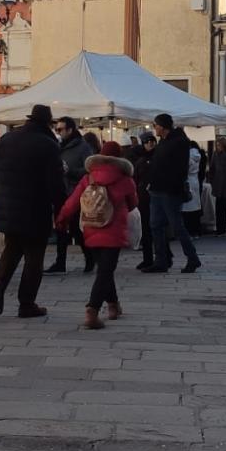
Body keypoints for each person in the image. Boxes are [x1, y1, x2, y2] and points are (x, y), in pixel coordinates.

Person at [0, 105, 67, 318]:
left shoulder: (6, 139)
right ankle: (26, 303)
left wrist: (4, 191)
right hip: (35, 208)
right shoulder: (48, 145)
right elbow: (56, 184)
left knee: (11, 248)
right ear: (48, 123)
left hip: (8, 206)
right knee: (34, 257)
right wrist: (61, 210)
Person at [57, 142, 137, 329]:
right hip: (114, 230)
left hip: (91, 228)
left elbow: (72, 202)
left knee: (104, 270)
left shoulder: (89, 177)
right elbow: (133, 204)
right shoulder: (126, 180)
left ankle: (113, 305)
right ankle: (92, 310)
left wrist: (61, 218)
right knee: (105, 271)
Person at [144, 113, 201, 273]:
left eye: (155, 125)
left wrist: (171, 186)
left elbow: (179, 169)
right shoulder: (163, 142)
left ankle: (192, 258)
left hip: (170, 191)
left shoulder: (180, 142)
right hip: (156, 189)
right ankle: (161, 260)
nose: (153, 128)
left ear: (162, 126)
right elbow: (158, 164)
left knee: (177, 226)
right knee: (155, 225)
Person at [47, 117, 95, 274]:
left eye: (60, 129)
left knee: (75, 228)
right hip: (60, 191)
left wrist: (70, 172)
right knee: (60, 227)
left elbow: (90, 169)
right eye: (57, 129)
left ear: (70, 130)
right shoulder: (59, 146)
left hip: (76, 193)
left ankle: (89, 257)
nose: (58, 132)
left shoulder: (83, 147)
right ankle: (60, 263)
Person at [130, 134, 155, 269]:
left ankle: (163, 256)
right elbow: (136, 179)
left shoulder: (158, 158)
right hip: (143, 197)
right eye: (147, 142)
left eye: (152, 141)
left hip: (155, 196)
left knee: (156, 228)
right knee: (146, 228)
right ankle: (148, 258)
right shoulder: (140, 160)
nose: (150, 144)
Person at [209, 136, 226, 236]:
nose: (217, 147)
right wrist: (212, 181)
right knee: (219, 209)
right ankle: (220, 229)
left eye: (219, 145)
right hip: (218, 185)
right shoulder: (215, 155)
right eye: (217, 145)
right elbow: (212, 168)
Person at [184, 138, 207, 239]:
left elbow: (184, 169)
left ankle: (189, 231)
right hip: (195, 181)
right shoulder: (199, 155)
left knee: (187, 209)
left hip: (187, 182)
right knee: (196, 208)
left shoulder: (187, 156)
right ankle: (196, 231)